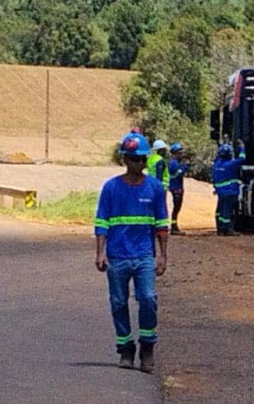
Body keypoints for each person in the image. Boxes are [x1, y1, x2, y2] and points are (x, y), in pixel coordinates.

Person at [95, 132, 169, 373]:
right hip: (117, 257)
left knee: (147, 299)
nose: (139, 164)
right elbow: (102, 222)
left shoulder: (155, 188)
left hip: (144, 256)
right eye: (134, 159)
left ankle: (147, 347)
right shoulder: (111, 188)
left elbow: (161, 224)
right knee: (118, 303)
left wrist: (162, 255)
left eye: (142, 159)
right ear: (125, 160)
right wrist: (100, 252)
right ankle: (126, 350)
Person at [212, 140, 246, 236]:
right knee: (228, 212)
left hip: (220, 192)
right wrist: (242, 147)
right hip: (230, 191)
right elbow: (242, 158)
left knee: (220, 211)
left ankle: (220, 229)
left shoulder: (217, 164)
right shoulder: (231, 164)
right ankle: (227, 230)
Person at [168, 142, 189, 235]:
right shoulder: (174, 163)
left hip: (177, 187)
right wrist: (184, 167)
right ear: (175, 153)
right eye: (180, 153)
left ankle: (174, 226)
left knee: (177, 207)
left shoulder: (176, 163)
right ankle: (174, 227)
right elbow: (178, 173)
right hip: (176, 188)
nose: (181, 155)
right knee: (176, 207)